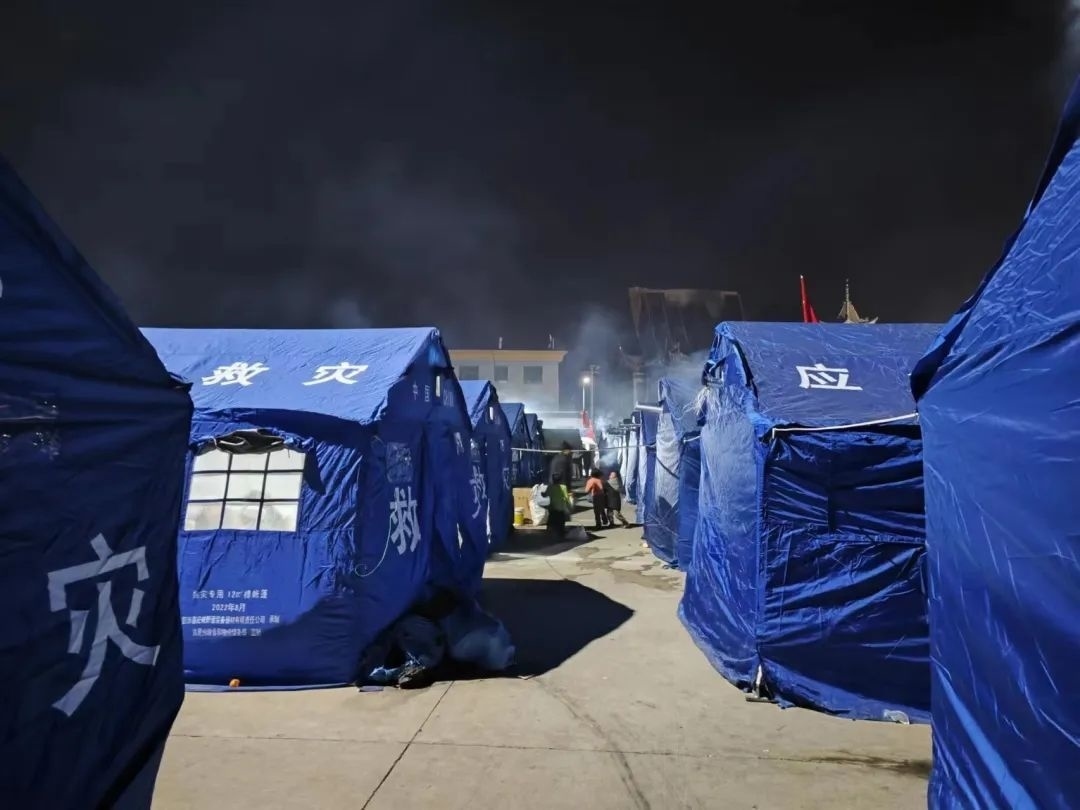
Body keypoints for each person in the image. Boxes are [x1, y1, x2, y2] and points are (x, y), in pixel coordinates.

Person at [544, 472, 572, 537]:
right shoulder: (563, 487)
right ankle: (561, 534)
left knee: (551, 522)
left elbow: (545, 495)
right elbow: (566, 498)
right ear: (560, 480)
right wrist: (569, 507)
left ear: (553, 479)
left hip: (552, 508)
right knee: (561, 523)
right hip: (560, 509)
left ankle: (549, 534)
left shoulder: (549, 487)